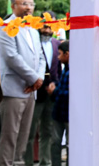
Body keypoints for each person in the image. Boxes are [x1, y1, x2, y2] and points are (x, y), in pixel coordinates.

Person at [0, 0, 46, 166]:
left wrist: (38, 78)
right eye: (24, 3)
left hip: (32, 90)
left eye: (31, 4)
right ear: (13, 6)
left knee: (25, 134)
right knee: (10, 135)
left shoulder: (33, 28)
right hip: (14, 89)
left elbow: (40, 57)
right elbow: (11, 57)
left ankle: (18, 163)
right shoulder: (4, 27)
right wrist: (34, 78)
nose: (29, 7)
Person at [24, 12, 63, 166]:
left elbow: (59, 69)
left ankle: (45, 162)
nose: (47, 30)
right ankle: (27, 162)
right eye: (44, 27)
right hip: (34, 90)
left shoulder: (57, 44)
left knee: (48, 131)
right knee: (30, 130)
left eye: (50, 27)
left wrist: (56, 85)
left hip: (52, 93)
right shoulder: (32, 42)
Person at [51, 40, 70, 166]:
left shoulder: (73, 70)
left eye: (59, 54)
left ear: (67, 54)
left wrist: (54, 91)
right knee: (55, 142)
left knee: (70, 143)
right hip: (59, 112)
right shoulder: (66, 68)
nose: (58, 57)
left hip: (68, 114)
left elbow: (67, 92)